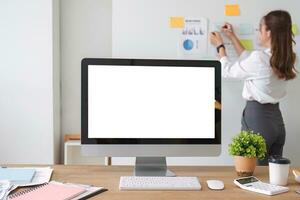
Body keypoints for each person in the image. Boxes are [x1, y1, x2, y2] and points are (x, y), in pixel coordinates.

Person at [210, 10, 297, 165]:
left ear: (269, 33)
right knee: (271, 177)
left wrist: (220, 46)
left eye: (260, 28)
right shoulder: (286, 58)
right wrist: (232, 36)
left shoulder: (260, 59)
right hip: (276, 122)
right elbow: (249, 61)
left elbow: (226, 71)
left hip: (257, 120)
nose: (258, 31)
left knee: (250, 176)